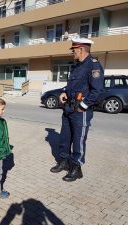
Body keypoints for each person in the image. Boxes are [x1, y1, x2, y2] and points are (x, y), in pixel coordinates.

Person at [50, 38, 104, 182]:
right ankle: (64, 161)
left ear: (81, 50)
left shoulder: (94, 66)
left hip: (81, 110)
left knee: (78, 139)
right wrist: (63, 92)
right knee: (65, 137)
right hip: (68, 108)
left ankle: (76, 168)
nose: (72, 53)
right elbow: (70, 86)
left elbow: (97, 91)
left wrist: (83, 106)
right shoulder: (75, 66)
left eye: (74, 50)